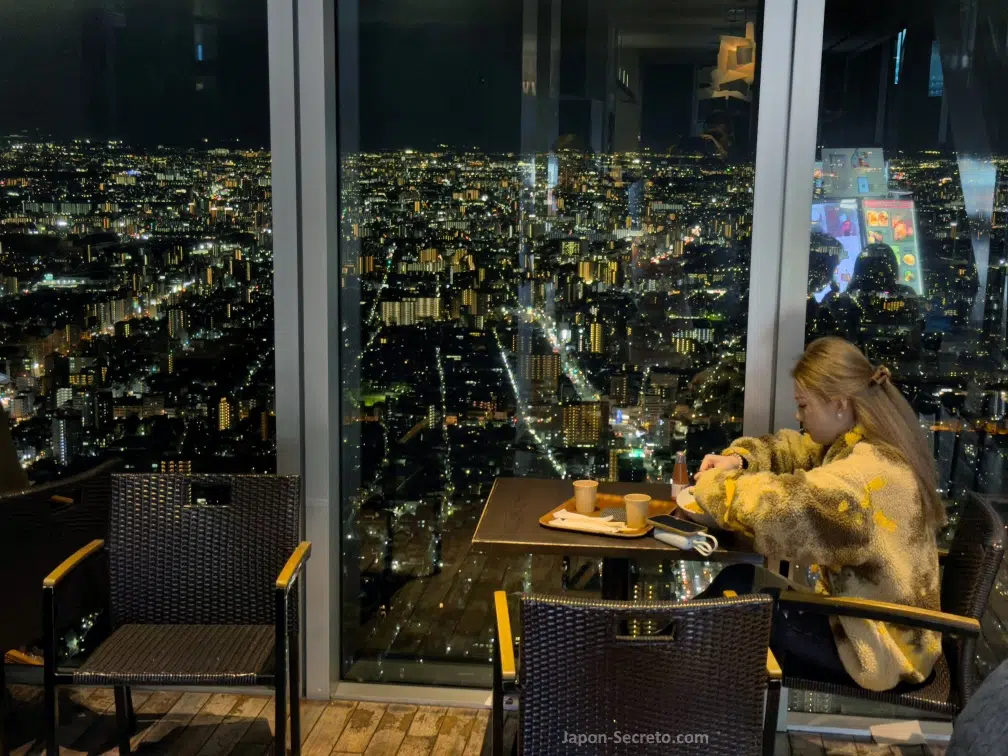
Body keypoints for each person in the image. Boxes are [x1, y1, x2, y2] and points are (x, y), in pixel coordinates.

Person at [691, 337, 944, 692]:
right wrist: (740, 460)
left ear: (839, 404)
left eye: (803, 405)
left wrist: (718, 486)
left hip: (880, 652)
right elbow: (798, 451)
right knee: (737, 587)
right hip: (881, 630)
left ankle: (654, 674)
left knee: (729, 611)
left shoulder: (867, 477)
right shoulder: (867, 445)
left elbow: (785, 510)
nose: (799, 416)